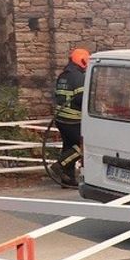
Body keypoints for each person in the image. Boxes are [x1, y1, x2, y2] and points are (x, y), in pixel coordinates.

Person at [49, 47, 90, 187]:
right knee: (83, 146)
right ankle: (60, 165)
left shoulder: (63, 75)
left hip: (61, 119)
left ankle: (67, 179)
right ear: (83, 61)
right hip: (73, 120)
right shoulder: (78, 77)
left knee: (68, 147)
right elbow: (81, 99)